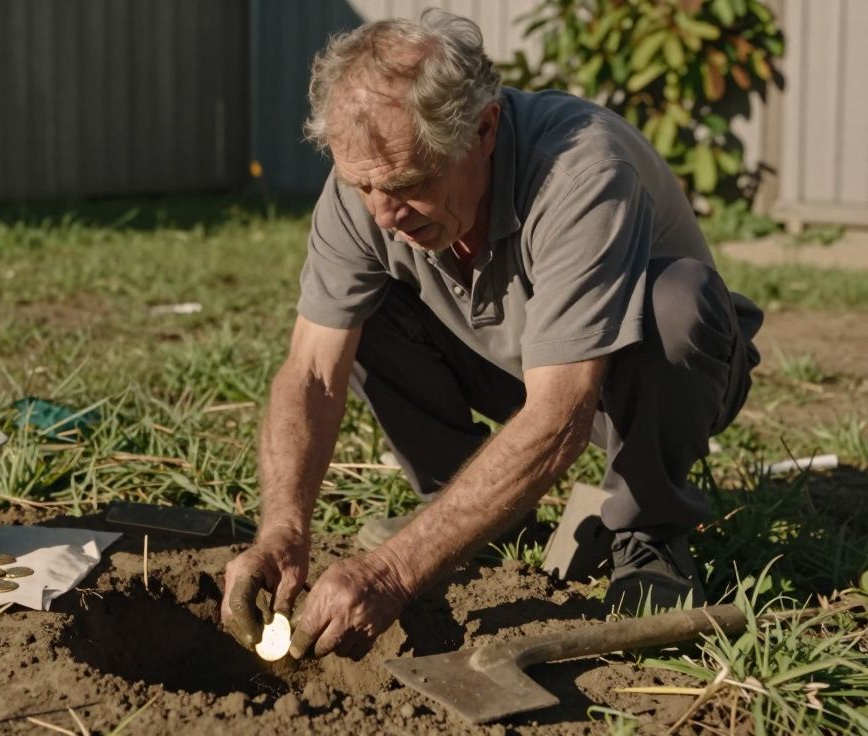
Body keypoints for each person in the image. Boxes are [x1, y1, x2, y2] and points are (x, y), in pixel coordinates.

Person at [219, 9, 763, 662]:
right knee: (359, 313)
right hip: (510, 364)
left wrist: (394, 571)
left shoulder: (579, 170)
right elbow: (311, 371)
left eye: (409, 184)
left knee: (676, 302)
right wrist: (281, 529)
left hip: (646, 378)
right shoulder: (367, 186)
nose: (384, 214)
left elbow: (559, 415)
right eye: (363, 186)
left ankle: (649, 534)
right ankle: (472, 513)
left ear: (483, 130)